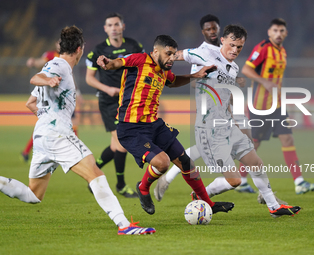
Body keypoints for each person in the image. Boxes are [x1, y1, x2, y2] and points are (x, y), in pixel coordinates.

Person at [0, 25, 155, 235]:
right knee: (96, 174)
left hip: (42, 135)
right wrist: (48, 79)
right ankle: (124, 225)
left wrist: (46, 116)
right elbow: (35, 78)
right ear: (80, 49)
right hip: (58, 134)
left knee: (34, 195)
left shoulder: (60, 67)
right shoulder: (59, 65)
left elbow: (30, 102)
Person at [155, 24, 299, 217]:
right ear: (222, 41)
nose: (234, 50)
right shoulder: (205, 54)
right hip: (210, 128)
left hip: (227, 124)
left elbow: (227, 97)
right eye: (231, 45)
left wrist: (238, 120)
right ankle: (199, 195)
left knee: (256, 162)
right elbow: (174, 55)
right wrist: (154, 64)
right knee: (235, 181)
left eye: (239, 47)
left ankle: (274, 206)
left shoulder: (234, 68)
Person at [97, 34, 234, 216]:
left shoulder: (163, 71)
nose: (171, 59)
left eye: (173, 55)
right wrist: (107, 63)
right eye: (168, 54)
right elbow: (118, 63)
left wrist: (196, 75)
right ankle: (143, 187)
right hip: (131, 128)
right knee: (163, 163)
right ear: (155, 52)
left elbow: (174, 81)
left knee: (186, 162)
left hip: (154, 125)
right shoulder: (139, 59)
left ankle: (208, 203)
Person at [153, 14, 258, 202]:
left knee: (212, 146)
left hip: (223, 109)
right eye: (208, 29)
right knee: (213, 146)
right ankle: (250, 186)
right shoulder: (202, 52)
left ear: (220, 30)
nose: (212, 31)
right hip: (208, 109)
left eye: (215, 28)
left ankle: (254, 186)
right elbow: (195, 82)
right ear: (203, 32)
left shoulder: (226, 51)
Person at [241, 18, 314, 195]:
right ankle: (240, 180)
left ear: (286, 33)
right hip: (259, 106)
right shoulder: (262, 48)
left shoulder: (282, 51)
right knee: (254, 144)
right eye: (275, 30)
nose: (278, 34)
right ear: (269, 32)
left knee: (287, 139)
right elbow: (246, 69)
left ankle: (299, 182)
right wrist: (265, 83)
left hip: (276, 105)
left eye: (281, 31)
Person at [86, 13, 144, 198]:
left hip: (127, 100)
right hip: (109, 101)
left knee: (115, 146)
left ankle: (92, 173)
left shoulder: (134, 46)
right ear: (105, 29)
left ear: (122, 26)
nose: (114, 28)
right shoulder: (98, 50)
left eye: (116, 24)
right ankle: (120, 185)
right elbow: (89, 78)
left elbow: (143, 67)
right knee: (122, 142)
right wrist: (108, 89)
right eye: (110, 25)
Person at [22, 40, 81, 163]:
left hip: (66, 96)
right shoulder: (50, 55)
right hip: (52, 98)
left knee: (70, 123)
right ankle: (27, 151)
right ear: (55, 44)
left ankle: (76, 151)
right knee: (47, 125)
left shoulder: (68, 58)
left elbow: (71, 77)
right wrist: (33, 62)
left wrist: (77, 92)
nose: (61, 45)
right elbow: (40, 64)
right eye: (59, 42)